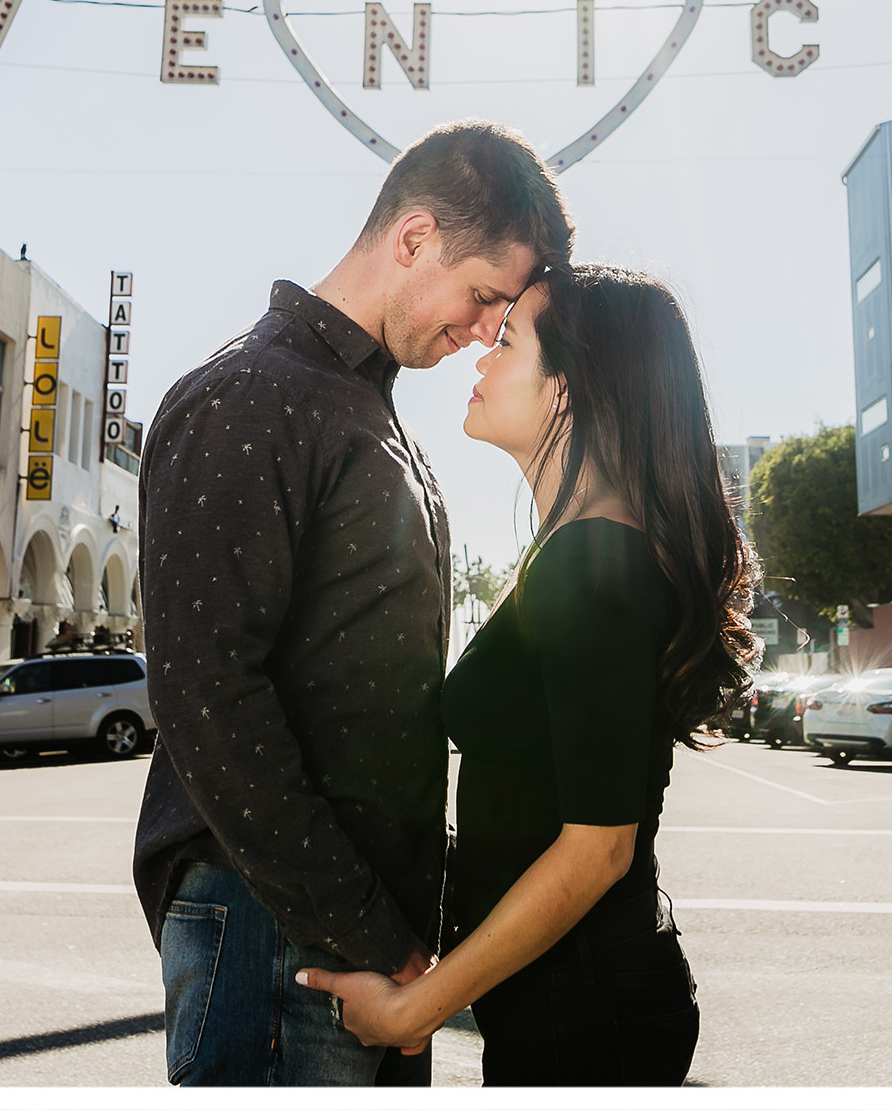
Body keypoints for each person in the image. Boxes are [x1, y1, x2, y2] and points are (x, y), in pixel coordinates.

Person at [132, 120, 573, 1088]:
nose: (481, 331)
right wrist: (371, 928)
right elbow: (207, 695)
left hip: (352, 928)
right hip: (278, 928)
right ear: (413, 238)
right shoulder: (249, 395)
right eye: (483, 296)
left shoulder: (360, 406)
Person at [300, 264, 758, 1086]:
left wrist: (421, 1006)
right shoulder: (580, 548)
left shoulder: (593, 561)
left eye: (507, 341)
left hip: (586, 1017)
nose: (481, 355)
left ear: (569, 390)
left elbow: (598, 849)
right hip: (566, 1002)